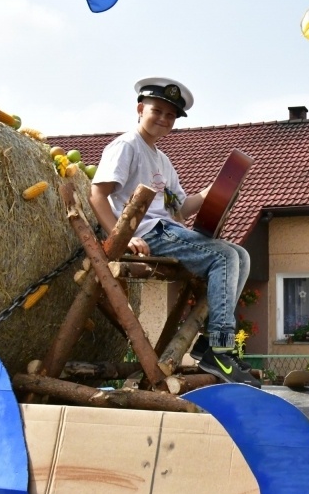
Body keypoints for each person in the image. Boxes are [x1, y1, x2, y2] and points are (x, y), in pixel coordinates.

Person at [89, 77, 260, 388]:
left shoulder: (163, 160)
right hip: (148, 232)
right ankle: (220, 348)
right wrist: (121, 237)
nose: (164, 119)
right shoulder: (126, 146)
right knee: (223, 256)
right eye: (158, 111)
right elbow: (97, 194)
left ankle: (210, 345)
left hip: (167, 227)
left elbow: (180, 210)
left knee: (241, 255)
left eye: (171, 116)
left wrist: (215, 189)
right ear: (140, 109)